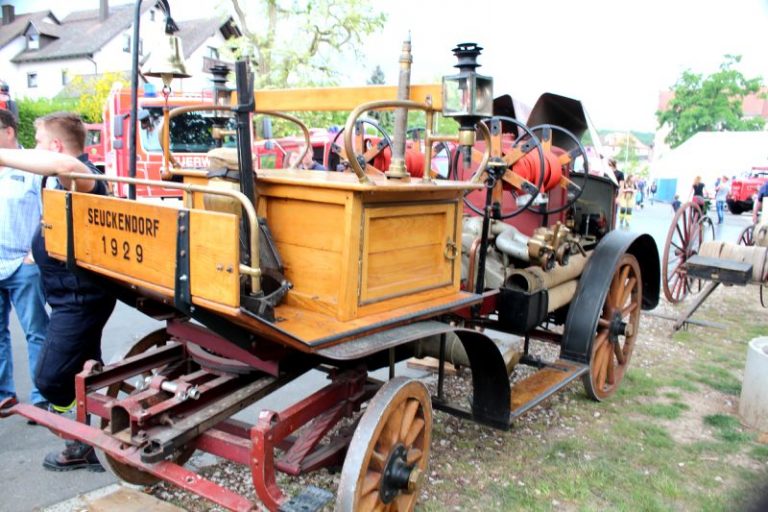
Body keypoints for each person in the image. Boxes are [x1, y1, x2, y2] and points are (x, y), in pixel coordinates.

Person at [0, 112, 116, 472]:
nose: (33, 147)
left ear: (54, 145)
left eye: (37, 141)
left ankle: (83, 437)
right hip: (69, 295)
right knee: (83, 369)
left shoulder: (80, 173)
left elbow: (65, 161)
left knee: (50, 379)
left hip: (79, 301)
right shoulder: (59, 178)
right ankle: (82, 446)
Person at [0, 109, 50, 419]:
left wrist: (35, 254)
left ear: (7, 132)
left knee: (36, 331)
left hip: (22, 263)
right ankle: (4, 395)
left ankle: (42, 397)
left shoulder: (33, 166)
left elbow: (50, 213)